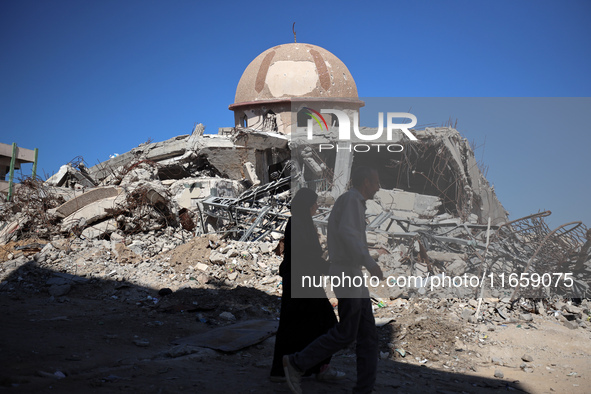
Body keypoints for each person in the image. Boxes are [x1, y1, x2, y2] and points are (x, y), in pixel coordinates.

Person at [283, 167, 383, 394]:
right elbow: (348, 234)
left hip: (353, 274)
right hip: (348, 273)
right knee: (348, 331)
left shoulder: (353, 202)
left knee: (367, 335)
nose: (378, 187)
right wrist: (370, 262)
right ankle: (297, 363)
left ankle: (364, 389)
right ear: (366, 181)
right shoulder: (350, 201)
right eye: (376, 182)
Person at [270, 187, 346, 382]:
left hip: (299, 281)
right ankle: (318, 368)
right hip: (303, 282)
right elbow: (306, 255)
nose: (317, 206)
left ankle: (288, 369)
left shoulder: (299, 222)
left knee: (294, 325)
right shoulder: (299, 224)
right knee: (327, 323)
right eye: (314, 203)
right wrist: (329, 268)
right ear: (307, 205)